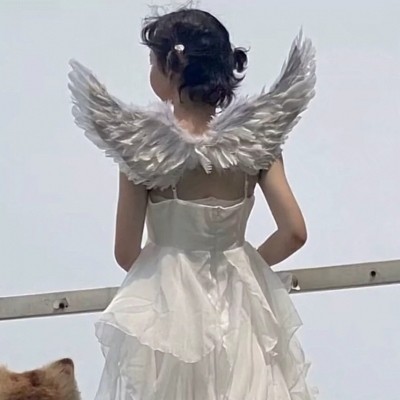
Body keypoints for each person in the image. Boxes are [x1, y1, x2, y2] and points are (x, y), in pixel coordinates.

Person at [68, 5, 318, 400]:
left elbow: (125, 252)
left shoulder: (143, 150)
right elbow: (294, 233)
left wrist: (172, 273)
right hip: (241, 309)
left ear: (172, 66)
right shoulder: (257, 144)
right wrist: (245, 266)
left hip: (172, 317)